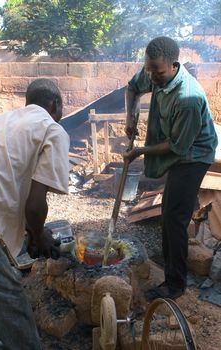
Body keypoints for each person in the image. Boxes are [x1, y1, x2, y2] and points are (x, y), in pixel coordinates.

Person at [124, 36, 218, 301]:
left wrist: (140, 151)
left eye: (158, 71)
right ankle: (171, 263)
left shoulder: (188, 98)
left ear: (174, 65)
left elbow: (177, 147)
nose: (152, 76)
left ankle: (175, 284)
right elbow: (132, 88)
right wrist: (130, 114)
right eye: (149, 69)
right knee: (170, 210)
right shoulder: (153, 70)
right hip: (177, 145)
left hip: (194, 154)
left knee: (173, 217)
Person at [0, 78, 70, 349]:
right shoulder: (52, 129)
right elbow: (35, 206)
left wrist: (33, 232)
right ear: (54, 105)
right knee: (11, 301)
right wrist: (39, 236)